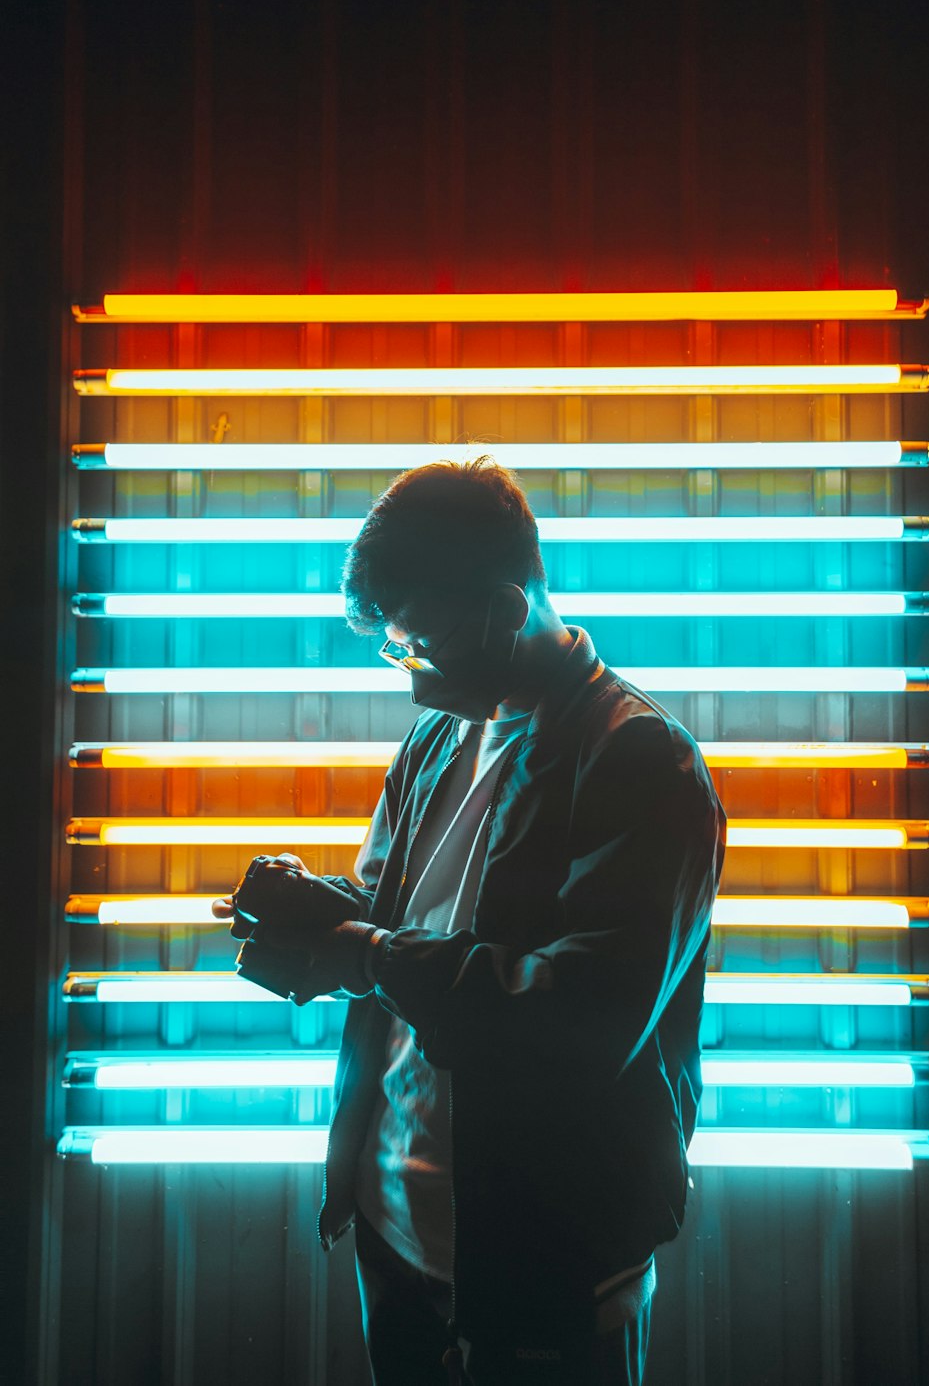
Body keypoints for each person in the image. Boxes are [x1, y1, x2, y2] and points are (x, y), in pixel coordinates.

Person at [217, 457, 725, 1386]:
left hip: (546, 1267)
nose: (408, 675)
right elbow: (409, 922)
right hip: (396, 1234)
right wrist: (313, 913)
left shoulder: (641, 762)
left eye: (419, 646)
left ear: (502, 609)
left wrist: (364, 955)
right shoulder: (439, 736)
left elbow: (581, 1019)